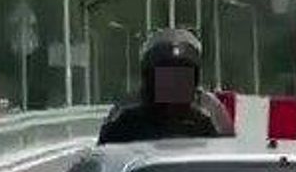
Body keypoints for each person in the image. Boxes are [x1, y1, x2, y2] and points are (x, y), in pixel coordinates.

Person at [96, 28, 235, 145]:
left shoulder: (210, 112)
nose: (174, 83)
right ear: (149, 78)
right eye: (166, 74)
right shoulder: (125, 116)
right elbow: (105, 155)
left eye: (181, 75)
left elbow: (226, 160)